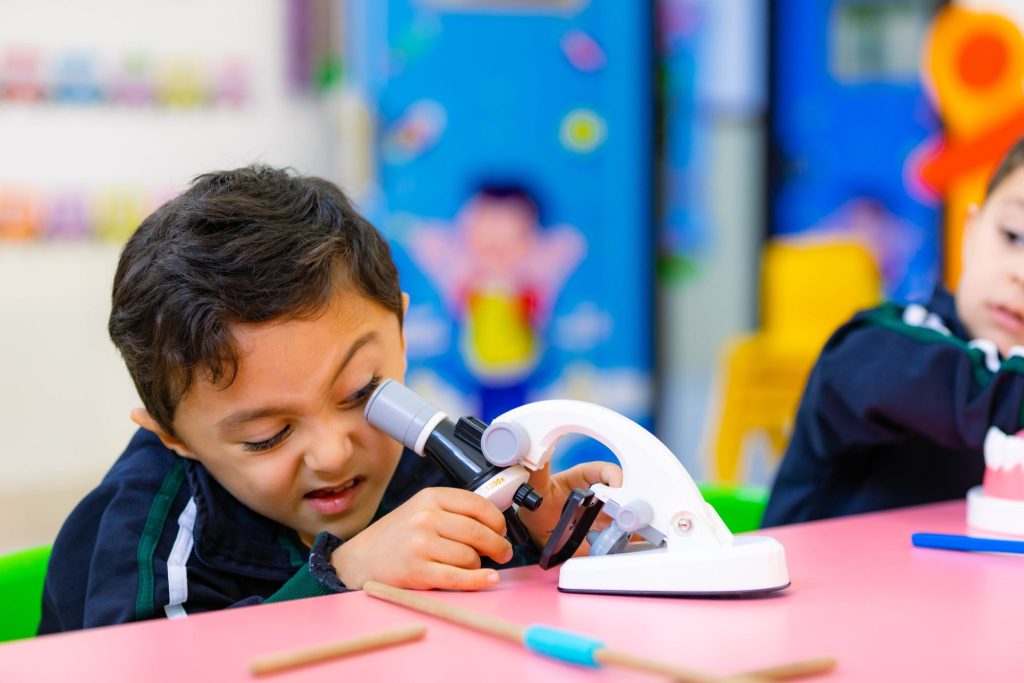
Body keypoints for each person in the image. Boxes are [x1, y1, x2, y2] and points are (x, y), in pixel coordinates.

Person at [38, 166, 619, 633]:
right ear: (175, 436)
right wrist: (340, 578)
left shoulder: (438, 454)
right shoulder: (149, 528)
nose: (334, 454)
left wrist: (552, 541)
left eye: (364, 393)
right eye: (267, 436)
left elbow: (509, 619)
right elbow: (155, 666)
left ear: (401, 333)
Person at [763, 137, 1024, 526]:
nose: (1019, 274)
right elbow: (962, 395)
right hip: (813, 582)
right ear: (969, 234)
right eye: (1013, 235)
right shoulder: (884, 343)